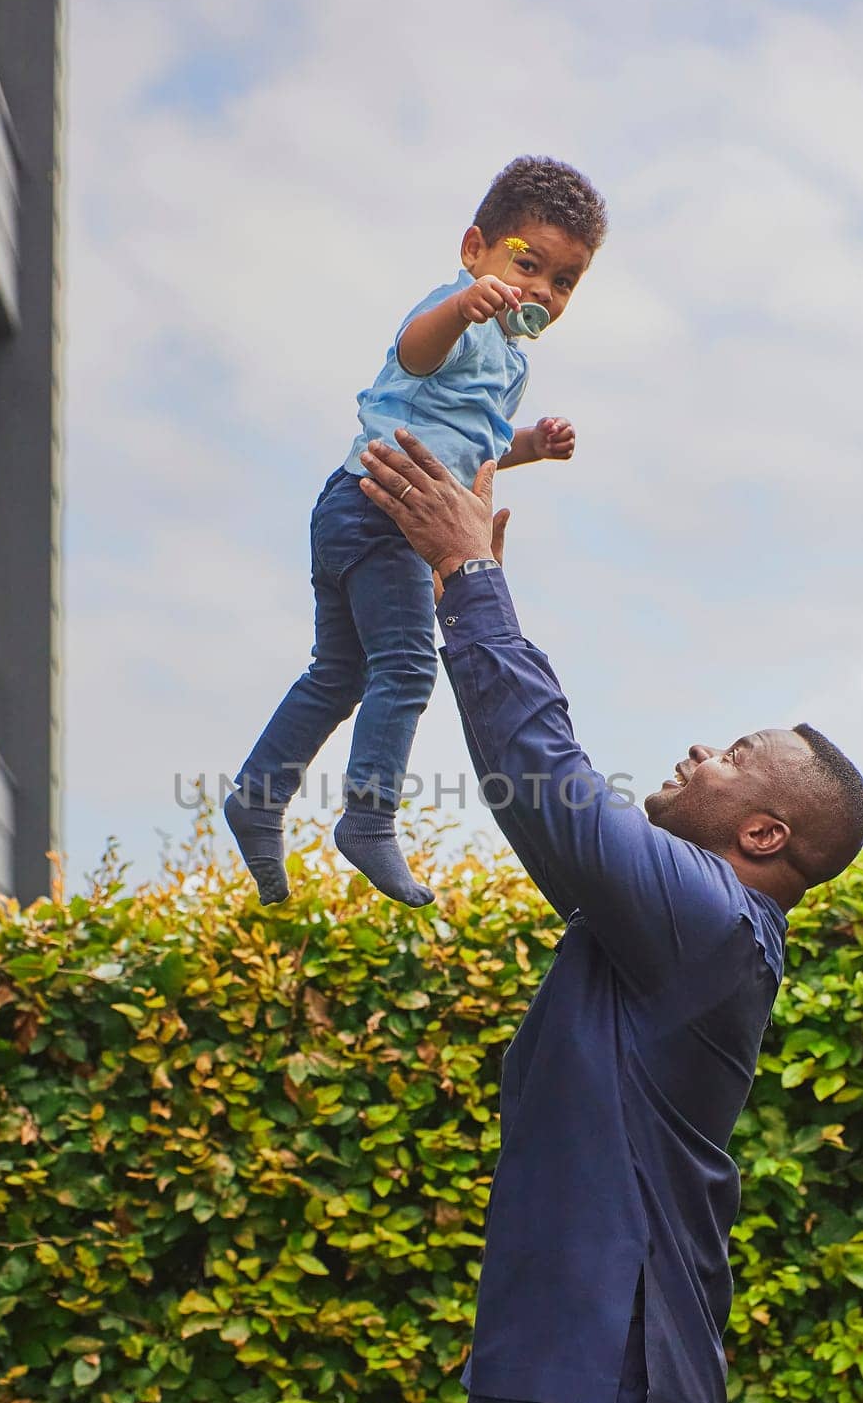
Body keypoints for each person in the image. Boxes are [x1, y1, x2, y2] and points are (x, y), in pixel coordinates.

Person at [357, 428, 863, 1403]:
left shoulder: (710, 922)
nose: (702, 746)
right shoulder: (667, 930)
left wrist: (468, 578)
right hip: (560, 1381)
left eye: (736, 752)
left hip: (601, 1392)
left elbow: (547, 780)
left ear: (762, 835)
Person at [225, 156, 607, 909]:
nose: (540, 290)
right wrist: (463, 307)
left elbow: (473, 443)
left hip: (355, 510)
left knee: (337, 674)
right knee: (404, 667)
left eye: (563, 282)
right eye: (527, 263)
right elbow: (414, 351)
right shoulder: (452, 312)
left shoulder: (511, 362)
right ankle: (368, 819)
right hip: (378, 510)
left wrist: (531, 444)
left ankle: (256, 799)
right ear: (475, 249)